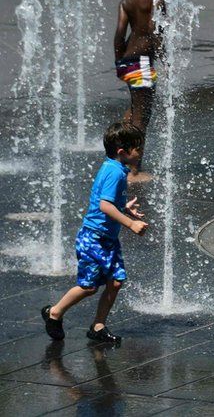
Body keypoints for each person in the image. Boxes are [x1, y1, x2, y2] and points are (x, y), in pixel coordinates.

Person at [41, 122, 149, 344]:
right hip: (94, 238)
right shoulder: (114, 173)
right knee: (88, 286)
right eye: (137, 148)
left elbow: (110, 202)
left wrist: (125, 207)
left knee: (116, 281)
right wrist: (130, 223)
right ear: (122, 152)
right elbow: (104, 206)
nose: (141, 152)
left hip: (106, 238)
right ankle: (54, 312)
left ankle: (98, 326)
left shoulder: (116, 168)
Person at [113, 0, 162, 182]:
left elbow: (120, 34)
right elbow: (159, 32)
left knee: (134, 108)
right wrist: (165, 58)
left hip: (128, 58)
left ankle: (117, 149)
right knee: (143, 115)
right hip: (143, 61)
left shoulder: (126, 0)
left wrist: (118, 61)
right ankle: (133, 168)